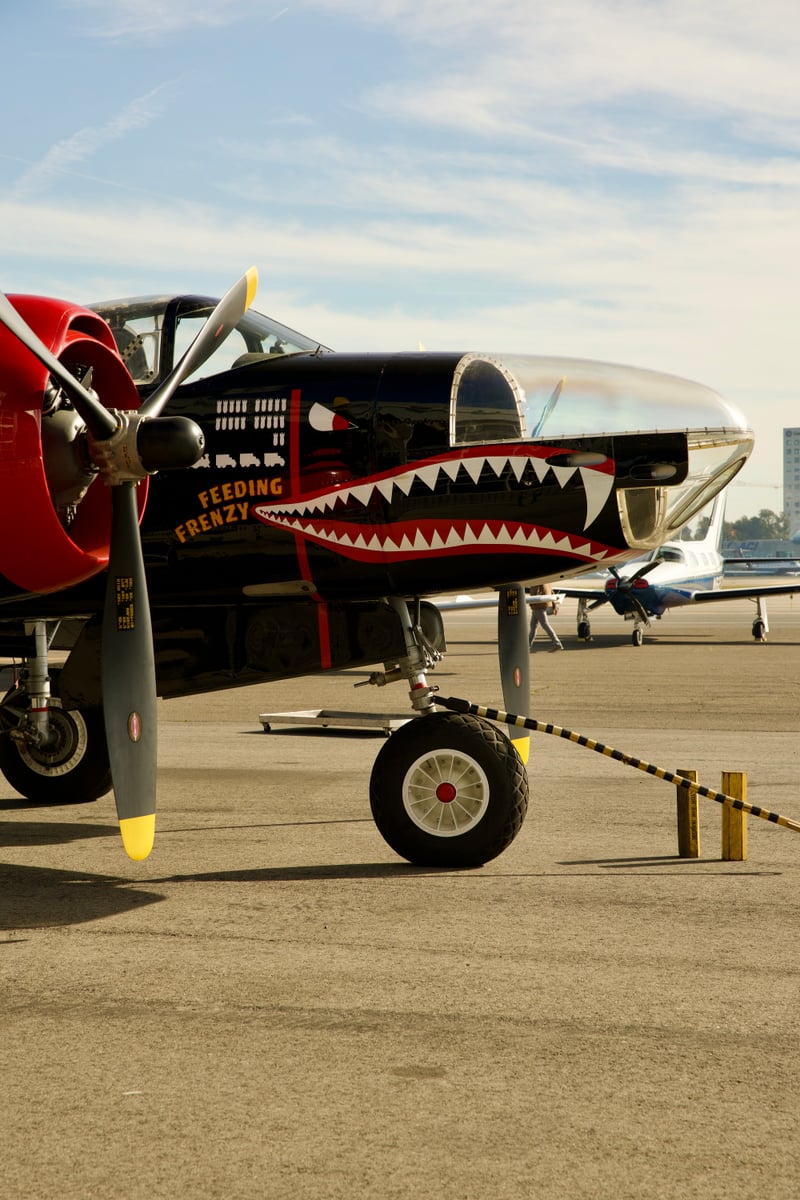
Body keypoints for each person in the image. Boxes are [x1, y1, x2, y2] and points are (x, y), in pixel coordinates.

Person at [528, 583, 563, 651]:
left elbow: (535, 594)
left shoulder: (538, 582)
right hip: (539, 606)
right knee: (533, 627)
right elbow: (551, 593)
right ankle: (527, 647)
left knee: (545, 625)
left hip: (538, 606)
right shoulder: (547, 582)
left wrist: (531, 603)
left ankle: (557, 643)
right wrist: (554, 606)